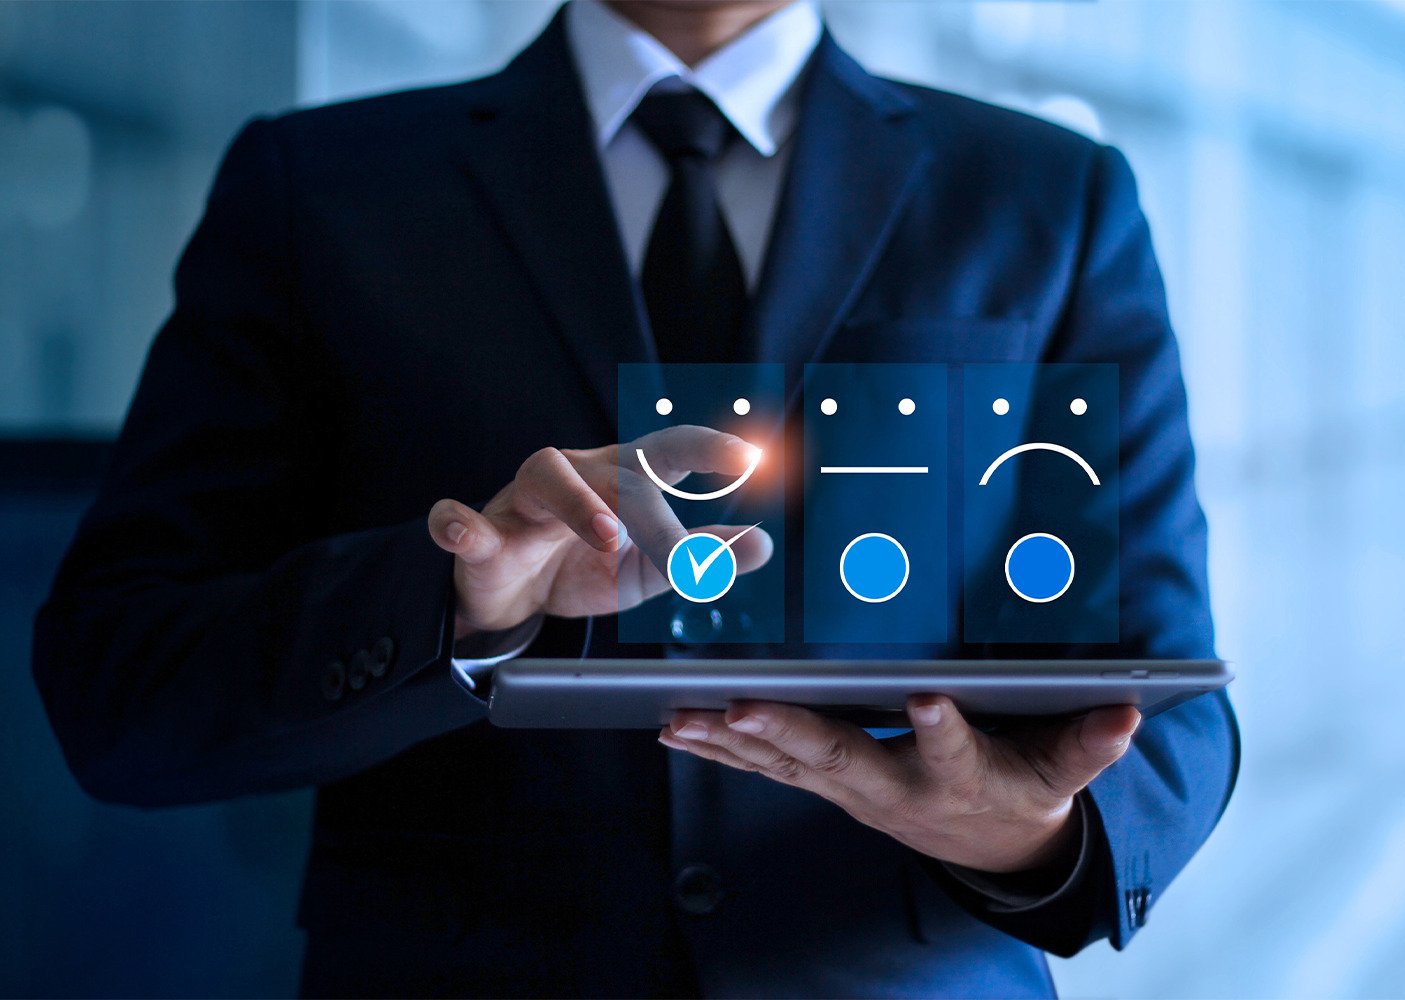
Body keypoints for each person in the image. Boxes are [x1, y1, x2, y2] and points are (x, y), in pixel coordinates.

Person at [32, 1, 1239, 995]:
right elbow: (120, 686)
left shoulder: (1046, 197)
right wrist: (451, 604)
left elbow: (1170, 701)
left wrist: (1010, 828)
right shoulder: (320, 191)